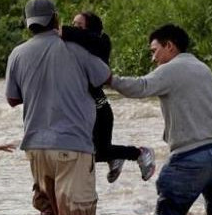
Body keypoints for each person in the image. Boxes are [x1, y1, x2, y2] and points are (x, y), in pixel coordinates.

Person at [4, 0, 111, 215]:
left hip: (36, 147)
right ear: (55, 18)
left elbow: (12, 99)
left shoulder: (17, 54)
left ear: (28, 23)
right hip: (73, 146)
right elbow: (104, 77)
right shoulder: (77, 50)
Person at [108, 24, 212, 215]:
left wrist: (109, 79)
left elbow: (141, 87)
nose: (153, 58)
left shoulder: (171, 69)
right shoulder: (203, 68)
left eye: (154, 50)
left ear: (169, 46)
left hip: (190, 158)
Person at [60, 11, 155, 183]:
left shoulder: (100, 42)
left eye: (79, 25)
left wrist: (59, 30)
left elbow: (83, 37)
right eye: (73, 24)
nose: (74, 29)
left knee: (89, 153)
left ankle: (140, 153)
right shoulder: (77, 44)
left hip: (98, 107)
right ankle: (115, 157)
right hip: (94, 103)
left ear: (91, 29)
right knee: (86, 152)